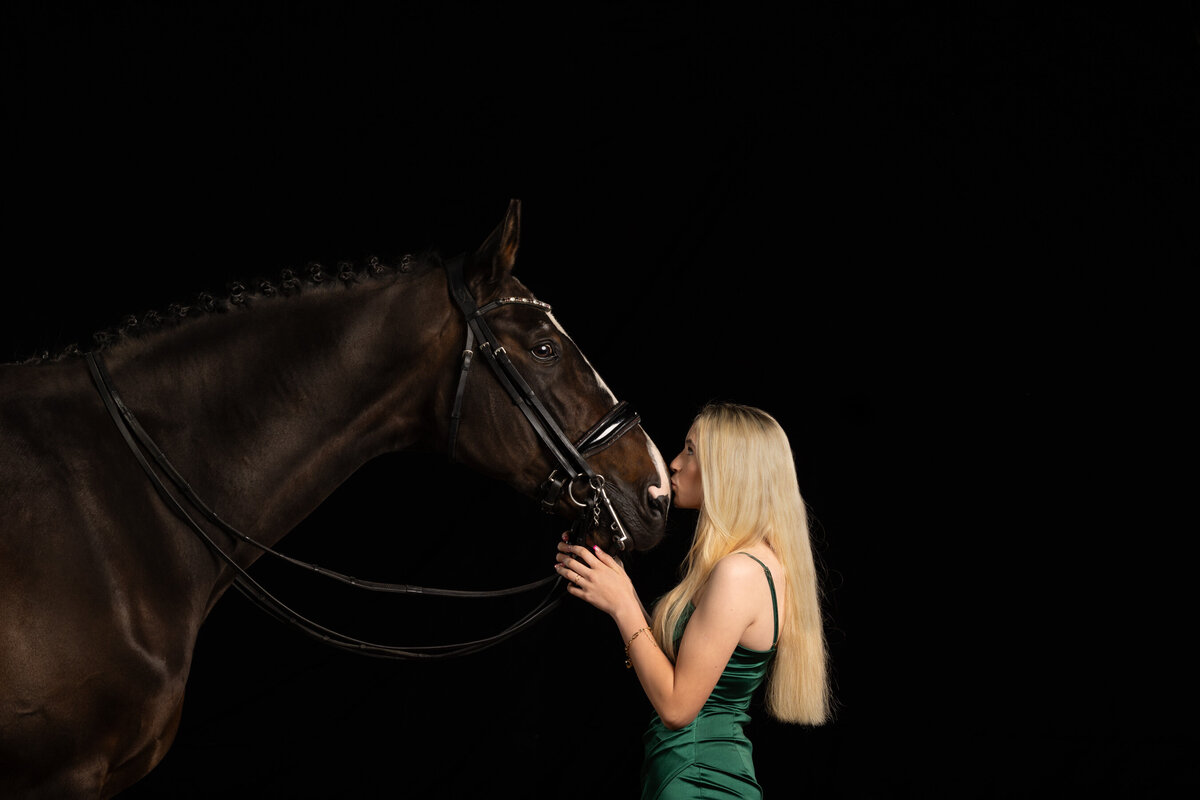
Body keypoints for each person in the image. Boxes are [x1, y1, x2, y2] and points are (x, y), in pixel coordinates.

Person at [555, 401, 830, 799]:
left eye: (690, 451)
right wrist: (614, 584)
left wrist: (623, 605)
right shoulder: (754, 564)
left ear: (729, 469)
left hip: (698, 779)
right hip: (690, 771)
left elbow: (677, 707)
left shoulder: (740, 572)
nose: (674, 463)